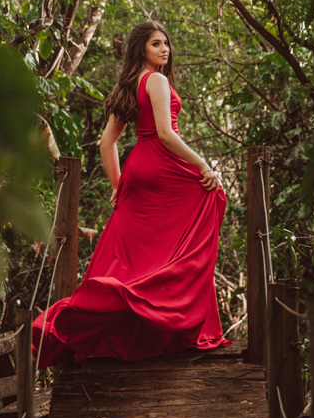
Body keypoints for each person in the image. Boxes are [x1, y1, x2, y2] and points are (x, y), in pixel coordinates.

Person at [31, 20, 231, 367]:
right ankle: (175, 319)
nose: (165, 49)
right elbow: (166, 134)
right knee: (211, 199)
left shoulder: (128, 84)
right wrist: (203, 165)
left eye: (166, 43)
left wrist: (119, 185)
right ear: (142, 49)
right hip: (163, 166)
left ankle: (141, 314)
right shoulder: (156, 80)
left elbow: (106, 143)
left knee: (140, 256)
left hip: (139, 169)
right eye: (156, 44)